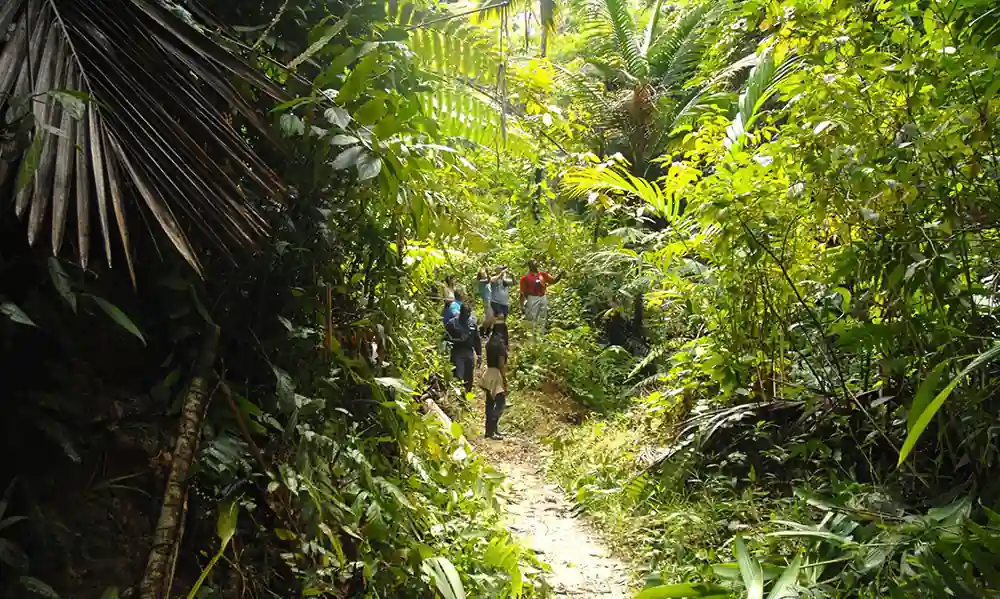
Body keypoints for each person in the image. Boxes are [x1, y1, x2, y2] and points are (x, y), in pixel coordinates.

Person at [479, 316, 509, 440]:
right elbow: (502, 365)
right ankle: (492, 429)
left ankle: (489, 430)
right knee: (501, 403)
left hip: (489, 372)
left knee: (490, 403)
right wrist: (505, 381)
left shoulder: (490, 343)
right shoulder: (500, 345)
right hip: (496, 374)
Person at [445, 303, 481, 395]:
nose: (467, 316)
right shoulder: (452, 323)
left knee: (469, 376)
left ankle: (467, 396)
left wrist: (479, 354)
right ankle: (459, 398)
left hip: (469, 351)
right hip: (457, 352)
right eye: (465, 314)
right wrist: (458, 340)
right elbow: (446, 339)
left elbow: (477, 340)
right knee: (458, 375)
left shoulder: (472, 324)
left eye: (469, 314)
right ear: (461, 312)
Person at [520, 260, 559, 335]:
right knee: (532, 316)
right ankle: (531, 334)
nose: (536, 264)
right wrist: (521, 305)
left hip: (542, 296)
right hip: (532, 297)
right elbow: (522, 293)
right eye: (534, 263)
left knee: (543, 315)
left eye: (536, 263)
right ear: (530, 266)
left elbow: (552, 281)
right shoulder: (525, 277)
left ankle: (541, 333)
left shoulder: (542, 274)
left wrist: (560, 275)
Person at [477, 267, 493, 333]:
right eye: (483, 273)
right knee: (489, 317)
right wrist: (487, 270)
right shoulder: (480, 281)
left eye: (485, 273)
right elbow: (488, 280)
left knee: (491, 317)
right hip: (486, 301)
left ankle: (487, 331)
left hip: (491, 300)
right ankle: (481, 328)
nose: (485, 274)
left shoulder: (486, 281)